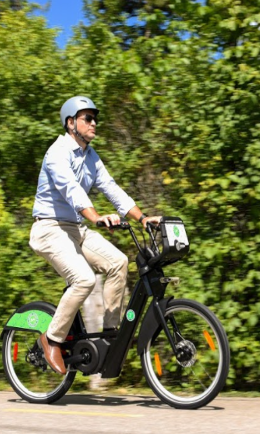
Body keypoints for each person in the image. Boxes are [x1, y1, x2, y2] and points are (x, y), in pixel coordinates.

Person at [29, 96, 162, 375]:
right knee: (84, 279)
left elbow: (111, 188)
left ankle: (111, 335)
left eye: (95, 118)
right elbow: (71, 190)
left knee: (118, 262)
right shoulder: (58, 152)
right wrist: (96, 217)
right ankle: (50, 339)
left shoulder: (91, 157)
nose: (94, 123)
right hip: (50, 228)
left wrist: (142, 218)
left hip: (75, 228)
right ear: (70, 123)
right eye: (87, 118)